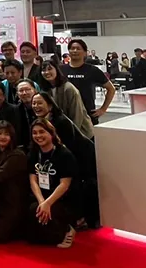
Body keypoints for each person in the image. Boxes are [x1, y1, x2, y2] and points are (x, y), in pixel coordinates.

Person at [31, 92, 99, 227]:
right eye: (34, 103)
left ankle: (80, 219)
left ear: (50, 105)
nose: (36, 106)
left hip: (81, 159)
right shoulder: (41, 122)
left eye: (39, 103)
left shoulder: (61, 122)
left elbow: (67, 149)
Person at [27, 118, 78, 248]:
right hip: (42, 196)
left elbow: (64, 184)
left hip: (61, 198)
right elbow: (33, 180)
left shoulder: (64, 154)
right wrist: (42, 202)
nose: (38, 136)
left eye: (42, 132)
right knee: (32, 234)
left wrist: (48, 203)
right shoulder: (34, 153)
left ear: (51, 133)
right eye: (34, 133)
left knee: (51, 214)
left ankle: (68, 228)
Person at [61, 39, 115, 124]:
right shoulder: (61, 70)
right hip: (65, 115)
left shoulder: (92, 70)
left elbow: (111, 89)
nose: (75, 51)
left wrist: (103, 109)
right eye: (72, 48)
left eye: (78, 48)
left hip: (87, 115)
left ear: (85, 52)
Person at [41, 60, 93, 139]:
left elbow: (77, 115)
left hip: (81, 133)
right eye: (43, 70)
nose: (46, 72)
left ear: (57, 69)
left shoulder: (69, 88)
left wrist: (72, 136)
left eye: (50, 69)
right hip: (61, 132)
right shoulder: (47, 90)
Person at [15, 80, 37, 148]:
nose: (24, 93)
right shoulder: (14, 111)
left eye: (27, 89)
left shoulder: (43, 107)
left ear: (35, 90)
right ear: (17, 94)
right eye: (21, 91)